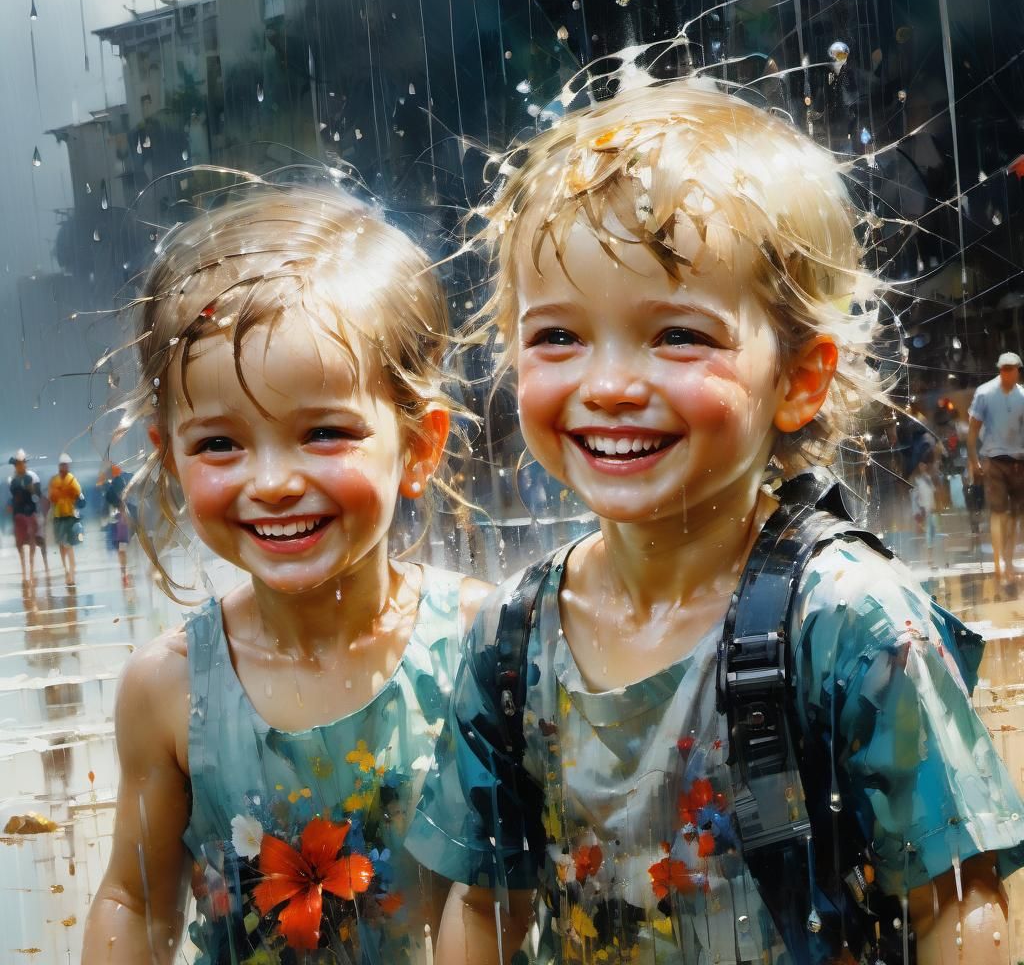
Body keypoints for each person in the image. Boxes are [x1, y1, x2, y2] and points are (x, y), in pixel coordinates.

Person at [407, 80, 1024, 964]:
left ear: (803, 378)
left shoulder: (850, 621)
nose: (610, 383)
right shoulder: (513, 638)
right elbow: (483, 908)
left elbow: (958, 909)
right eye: (557, 337)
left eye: (677, 336)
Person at [81, 185, 490, 965]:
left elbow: (510, 888)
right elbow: (133, 899)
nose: (270, 481)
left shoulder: (480, 644)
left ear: (419, 446)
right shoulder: (171, 691)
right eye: (221, 446)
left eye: (324, 432)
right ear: (171, 461)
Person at [967, 351, 1024, 595]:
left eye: (1012, 369)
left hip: (1019, 462)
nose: (1008, 373)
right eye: (1004, 368)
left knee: (1014, 517)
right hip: (994, 460)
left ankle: (1008, 563)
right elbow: (972, 431)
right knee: (999, 513)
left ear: (1018, 370)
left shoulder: (1023, 396)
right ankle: (1000, 565)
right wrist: (973, 461)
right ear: (1000, 369)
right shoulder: (985, 393)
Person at [48, 452, 83, 586]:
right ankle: (66, 570)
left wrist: (72, 494)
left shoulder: (72, 479)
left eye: (66, 465)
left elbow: (79, 496)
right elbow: (52, 498)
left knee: (69, 545)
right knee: (62, 545)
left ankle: (71, 573)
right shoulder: (54, 480)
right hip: (58, 517)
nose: (64, 467)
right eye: (63, 465)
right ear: (59, 466)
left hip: (70, 516)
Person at [8, 449, 43, 583]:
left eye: (22, 463)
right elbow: (14, 495)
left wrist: (31, 489)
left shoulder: (33, 477)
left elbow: (37, 495)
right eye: (18, 463)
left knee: (33, 540)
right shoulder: (13, 479)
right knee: (20, 543)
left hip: (30, 512)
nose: (21, 465)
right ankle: (24, 571)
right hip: (18, 515)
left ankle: (32, 569)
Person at [101, 464, 132, 585]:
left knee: (121, 549)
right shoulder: (122, 484)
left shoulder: (113, 487)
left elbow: (111, 500)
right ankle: (125, 571)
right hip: (122, 522)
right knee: (122, 549)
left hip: (119, 523)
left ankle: (124, 572)